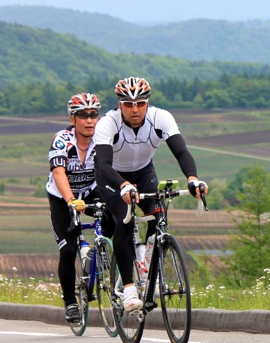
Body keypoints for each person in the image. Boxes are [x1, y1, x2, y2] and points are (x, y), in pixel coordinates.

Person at [94, 77, 208, 312]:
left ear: (148, 102)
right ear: (119, 104)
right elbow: (103, 164)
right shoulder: (108, 123)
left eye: (140, 103)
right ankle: (128, 290)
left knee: (157, 217)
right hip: (112, 175)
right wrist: (123, 185)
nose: (135, 109)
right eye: (128, 104)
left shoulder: (161, 118)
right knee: (123, 222)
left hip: (144, 171)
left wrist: (193, 178)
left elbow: (181, 151)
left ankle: (147, 269)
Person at [47, 93, 114, 323]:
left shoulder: (104, 138)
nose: (89, 120)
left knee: (114, 217)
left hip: (91, 189)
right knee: (67, 250)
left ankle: (99, 251)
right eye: (83, 116)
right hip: (62, 196)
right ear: (72, 118)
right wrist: (70, 201)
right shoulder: (62, 139)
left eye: (93, 115)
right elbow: (58, 172)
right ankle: (70, 303)